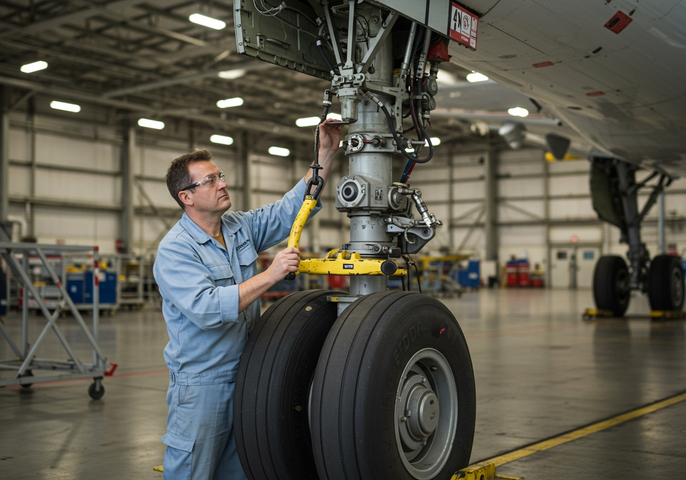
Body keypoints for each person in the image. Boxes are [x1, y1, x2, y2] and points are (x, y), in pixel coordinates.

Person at [154, 119, 341, 480]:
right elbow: (208, 309)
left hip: (248, 376)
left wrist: (325, 154)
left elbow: (292, 209)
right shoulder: (175, 250)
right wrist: (270, 275)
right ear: (186, 197)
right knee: (192, 472)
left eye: (219, 175)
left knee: (238, 472)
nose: (222, 183)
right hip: (201, 386)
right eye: (209, 180)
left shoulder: (239, 227)